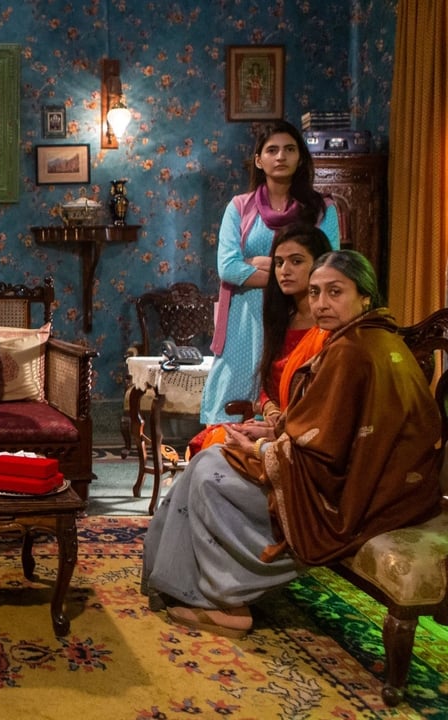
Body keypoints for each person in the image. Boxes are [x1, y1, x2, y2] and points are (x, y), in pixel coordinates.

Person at [143, 250, 442, 638]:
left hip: (355, 497)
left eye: (335, 292)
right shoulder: (371, 337)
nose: (321, 303)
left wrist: (261, 450)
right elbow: (330, 425)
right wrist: (273, 431)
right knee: (210, 460)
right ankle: (188, 585)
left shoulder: (352, 350)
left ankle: (226, 600)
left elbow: (326, 451)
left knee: (208, 475)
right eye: (315, 292)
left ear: (365, 296)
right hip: (382, 485)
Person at [200, 120, 340, 425]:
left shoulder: (322, 209)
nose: (280, 157)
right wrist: (291, 272)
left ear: (300, 158)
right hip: (246, 319)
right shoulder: (239, 207)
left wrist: (255, 263)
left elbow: (326, 266)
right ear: (258, 160)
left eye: (289, 149)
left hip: (299, 314)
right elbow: (228, 268)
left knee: (290, 402)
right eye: (272, 150)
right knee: (229, 419)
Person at [188, 223, 334, 455]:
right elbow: (268, 385)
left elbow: (325, 399)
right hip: (273, 424)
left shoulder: (329, 327)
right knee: (210, 443)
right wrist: (271, 411)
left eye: (296, 261)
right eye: (279, 263)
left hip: (307, 435)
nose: (284, 270)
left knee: (217, 455)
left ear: (319, 265)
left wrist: (279, 427)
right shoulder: (281, 321)